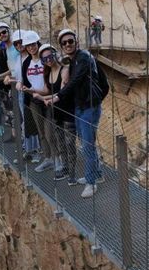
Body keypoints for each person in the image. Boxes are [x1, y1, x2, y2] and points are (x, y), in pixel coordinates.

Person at [46, 28, 107, 198]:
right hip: (81, 108)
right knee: (86, 143)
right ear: (61, 46)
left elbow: (75, 81)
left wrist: (59, 96)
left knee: (87, 145)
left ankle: (91, 182)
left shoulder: (84, 57)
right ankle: (97, 174)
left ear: (76, 42)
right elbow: (104, 83)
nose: (67, 44)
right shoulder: (73, 61)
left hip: (88, 108)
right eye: (64, 43)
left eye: (70, 41)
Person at [34, 44, 77, 183]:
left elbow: (62, 93)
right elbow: (47, 90)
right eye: (44, 59)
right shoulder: (47, 73)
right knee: (61, 142)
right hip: (56, 112)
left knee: (70, 143)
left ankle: (72, 173)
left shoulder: (65, 70)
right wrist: (30, 90)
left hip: (67, 111)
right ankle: (65, 168)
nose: (48, 60)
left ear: (55, 54)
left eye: (50, 56)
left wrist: (43, 98)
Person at [18, 32, 55, 172]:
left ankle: (57, 158)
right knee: (41, 131)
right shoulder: (26, 62)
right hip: (34, 101)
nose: (31, 47)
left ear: (37, 43)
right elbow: (25, 79)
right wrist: (21, 84)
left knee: (50, 131)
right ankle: (48, 158)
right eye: (28, 45)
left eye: (33, 44)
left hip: (48, 99)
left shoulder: (45, 59)